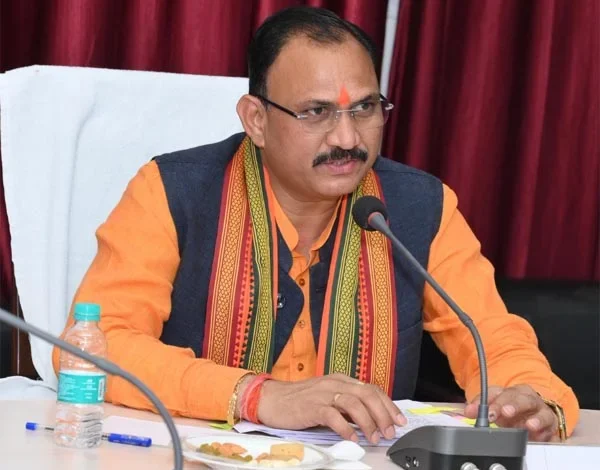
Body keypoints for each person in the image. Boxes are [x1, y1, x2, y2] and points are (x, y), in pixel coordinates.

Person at [53, 6, 578, 444]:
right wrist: (256, 396)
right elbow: (94, 346)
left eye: (365, 108)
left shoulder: (420, 207)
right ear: (256, 119)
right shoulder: (171, 192)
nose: (347, 138)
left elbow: (491, 338)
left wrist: (531, 399)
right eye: (316, 112)